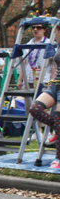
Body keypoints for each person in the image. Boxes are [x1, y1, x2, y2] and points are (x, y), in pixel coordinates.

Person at [28, 36, 60, 168]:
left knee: (59, 117)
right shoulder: (57, 46)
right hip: (55, 85)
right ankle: (57, 128)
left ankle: (58, 158)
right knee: (34, 109)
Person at [18, 23, 52, 91]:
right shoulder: (28, 44)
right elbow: (24, 63)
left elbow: (54, 64)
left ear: (44, 30)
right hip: (28, 80)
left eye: (38, 27)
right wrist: (20, 79)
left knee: (40, 101)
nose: (35, 29)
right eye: (33, 27)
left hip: (44, 80)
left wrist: (52, 81)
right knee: (27, 101)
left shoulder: (50, 43)